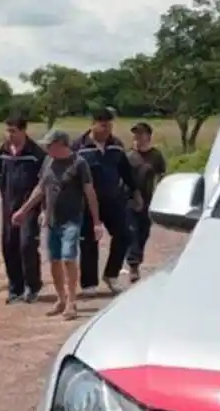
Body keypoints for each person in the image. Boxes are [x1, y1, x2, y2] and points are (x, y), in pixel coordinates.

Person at [13, 130, 103, 320]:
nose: (46, 148)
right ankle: (60, 299)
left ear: (61, 144)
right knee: (54, 260)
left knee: (69, 258)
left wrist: (96, 222)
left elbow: (90, 193)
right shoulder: (48, 161)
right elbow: (41, 189)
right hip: (52, 220)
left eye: (49, 145)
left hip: (72, 219)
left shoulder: (79, 164)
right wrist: (24, 210)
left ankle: (72, 302)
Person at [72, 108, 141, 296]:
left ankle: (111, 274)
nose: (107, 129)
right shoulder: (78, 147)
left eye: (110, 125)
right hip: (86, 202)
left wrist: (135, 192)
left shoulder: (116, 145)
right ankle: (89, 284)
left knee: (124, 235)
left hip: (113, 199)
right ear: (93, 123)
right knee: (88, 241)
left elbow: (125, 171)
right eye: (103, 125)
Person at [0, 113, 47, 304]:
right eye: (7, 130)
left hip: (30, 207)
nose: (9, 134)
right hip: (8, 207)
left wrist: (43, 209)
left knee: (27, 245)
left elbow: (44, 185)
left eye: (13, 131)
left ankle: (32, 286)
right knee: (9, 246)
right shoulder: (2, 152)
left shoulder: (36, 154)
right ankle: (15, 288)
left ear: (23, 130)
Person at [125, 122, 167, 283]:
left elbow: (161, 174)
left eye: (141, 134)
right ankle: (133, 265)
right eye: (135, 134)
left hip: (149, 199)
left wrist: (160, 192)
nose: (138, 137)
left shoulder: (155, 155)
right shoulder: (128, 156)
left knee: (144, 232)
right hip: (129, 200)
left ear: (148, 136)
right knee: (132, 231)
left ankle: (137, 258)